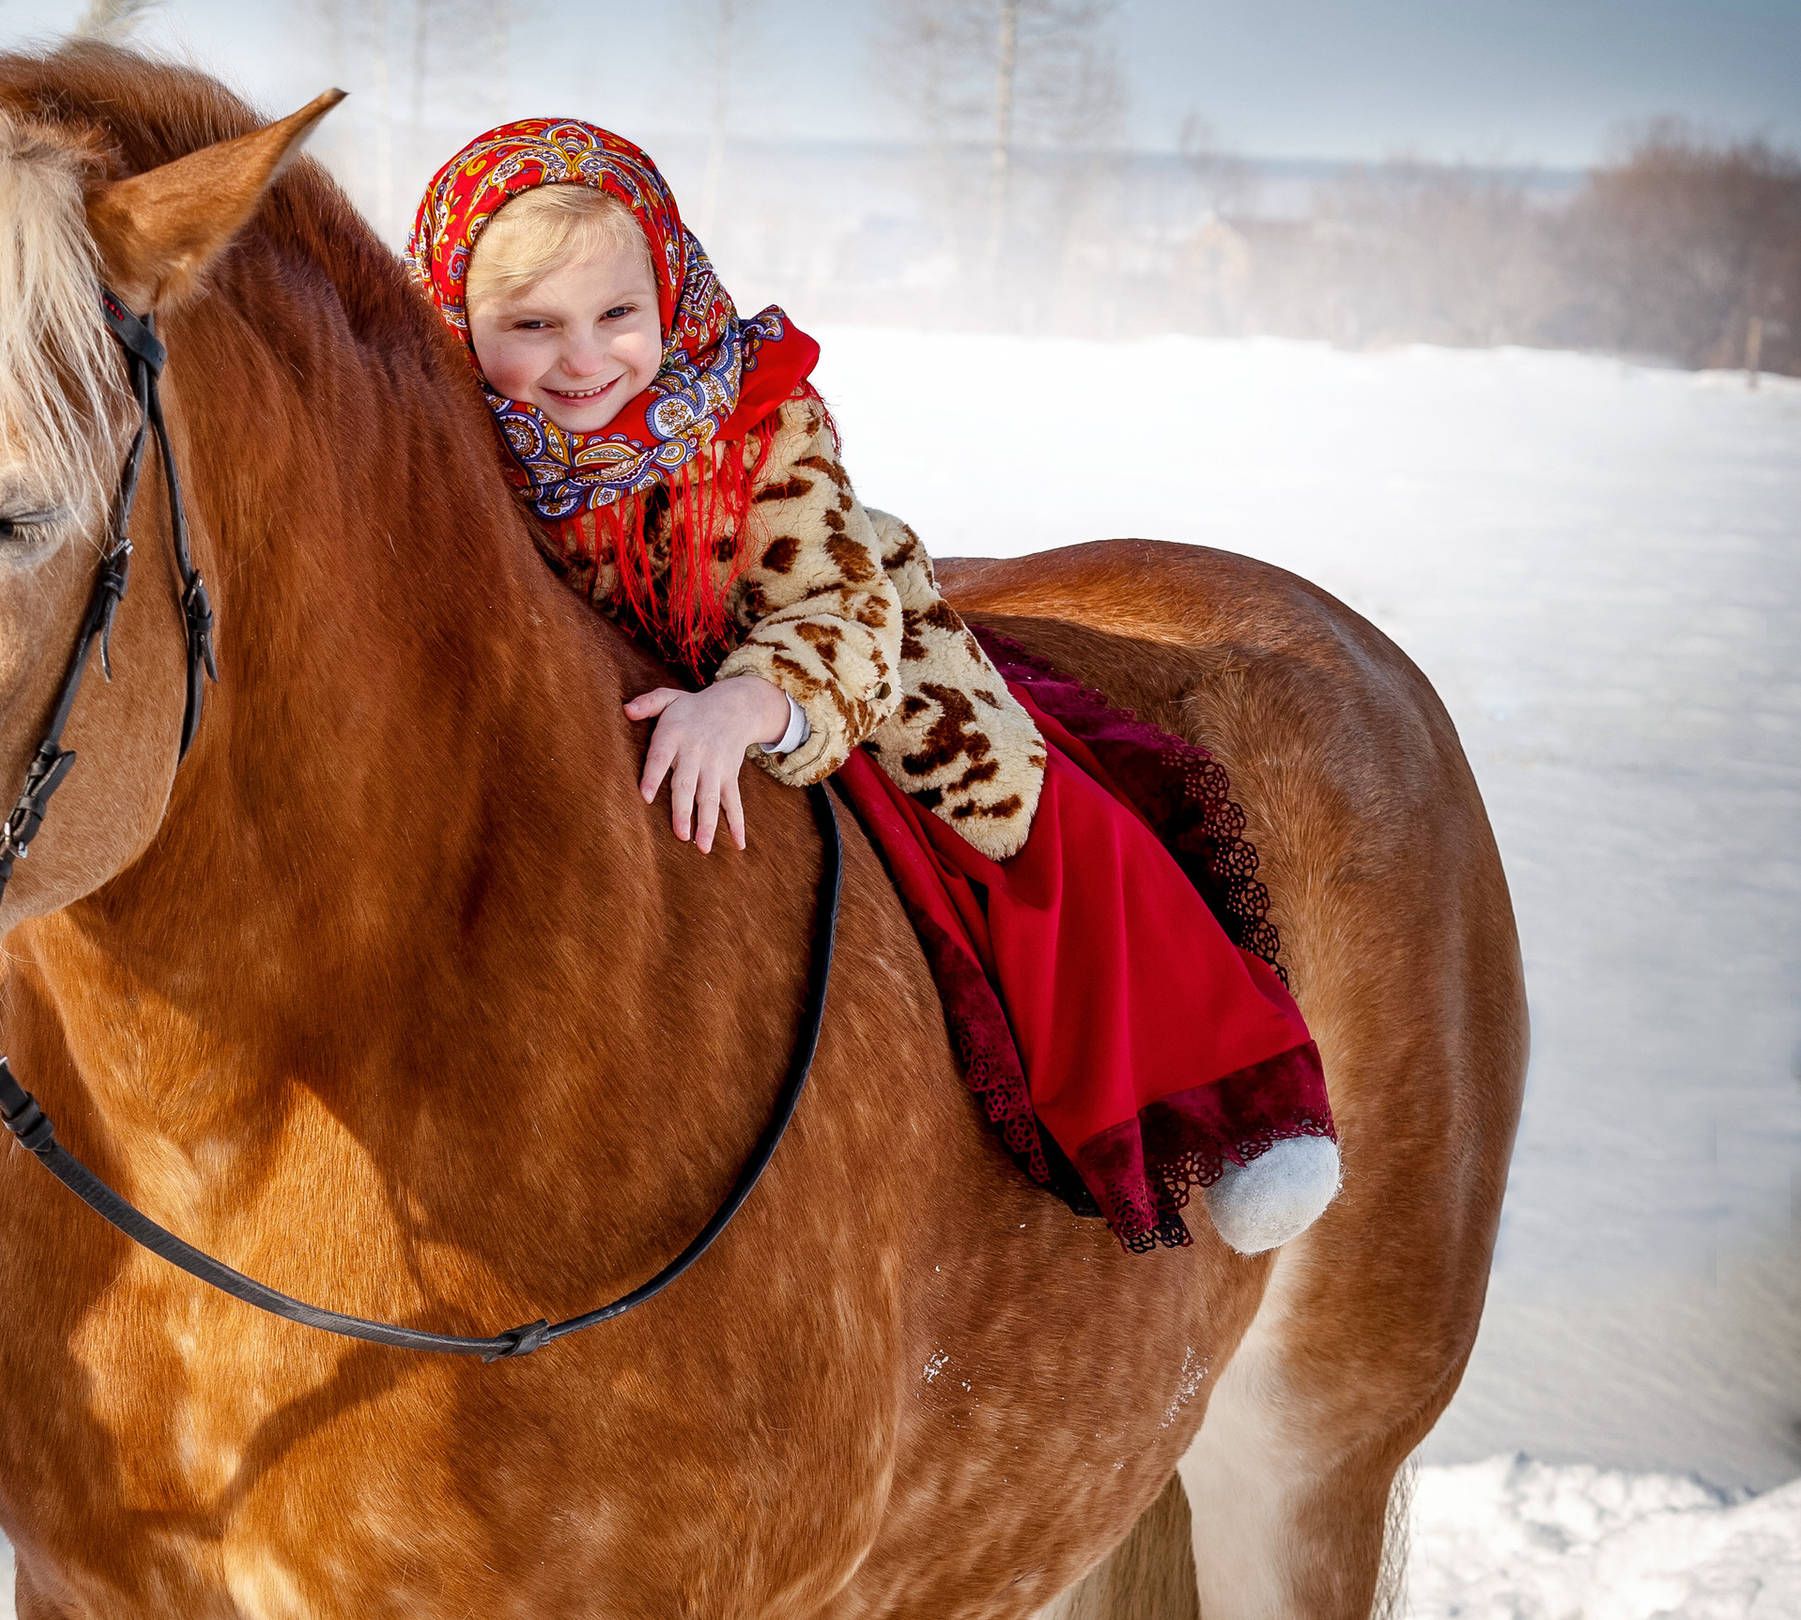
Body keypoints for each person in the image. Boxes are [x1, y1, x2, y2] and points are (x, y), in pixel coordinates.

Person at [406, 117, 1341, 1256]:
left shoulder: (751, 414)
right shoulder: (449, 444)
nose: (583, 359)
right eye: (530, 327)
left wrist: (751, 701)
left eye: (615, 315)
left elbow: (836, 605)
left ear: (668, 296)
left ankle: (1229, 1096)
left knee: (1021, 823)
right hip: (593, 693)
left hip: (811, 648)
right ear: (459, 320)